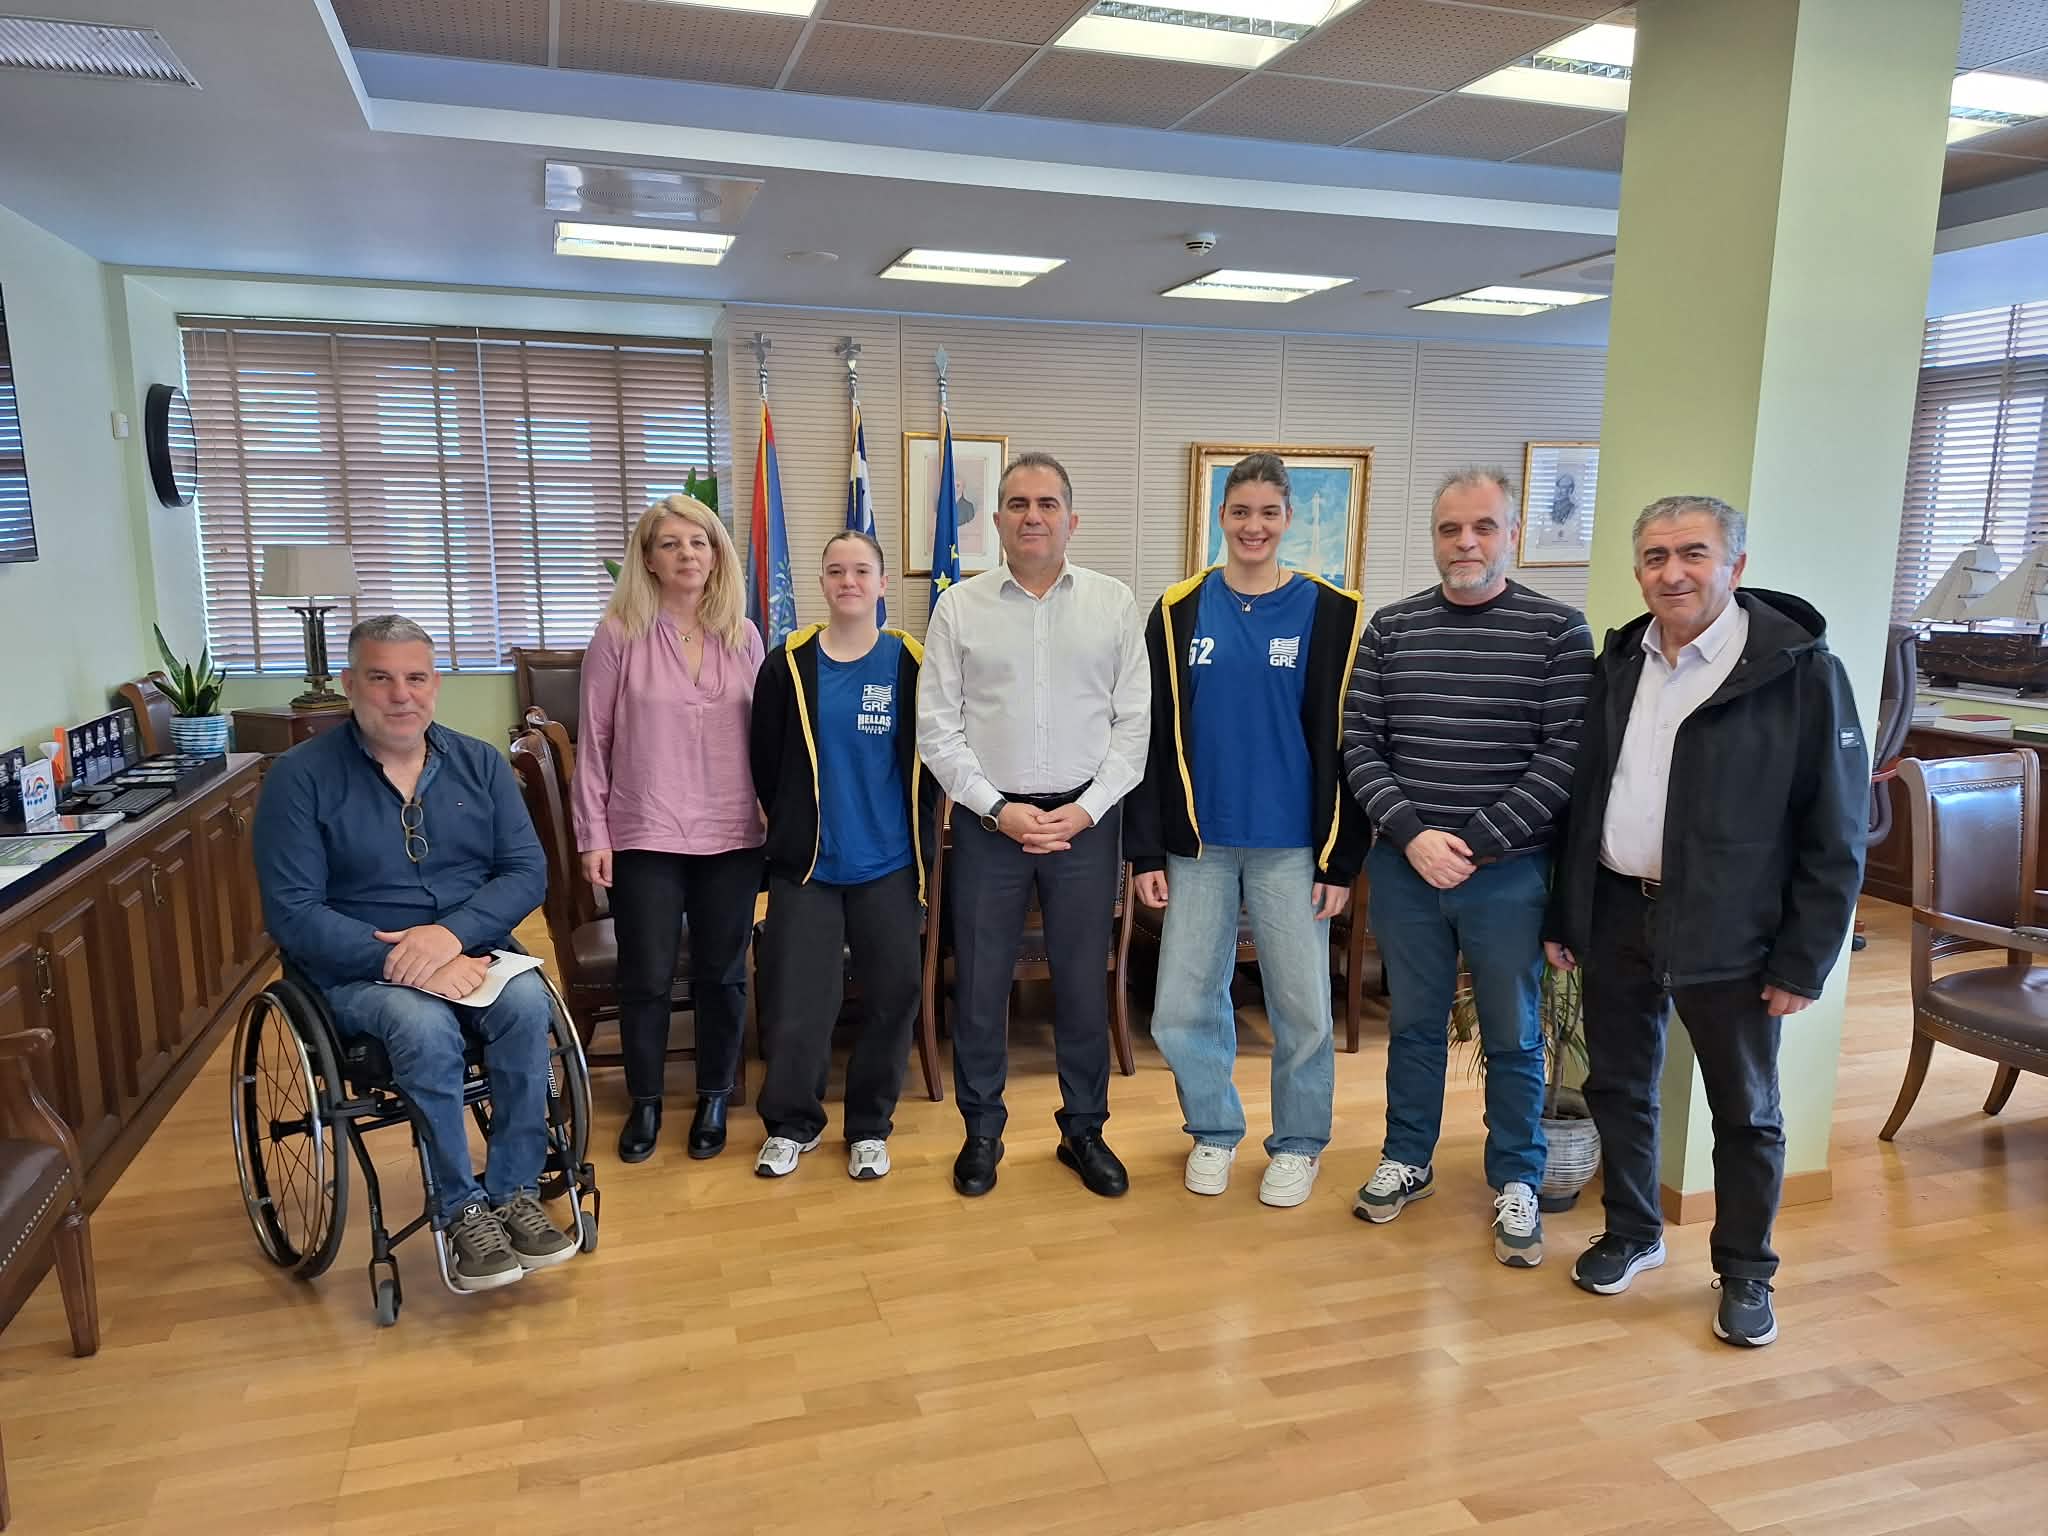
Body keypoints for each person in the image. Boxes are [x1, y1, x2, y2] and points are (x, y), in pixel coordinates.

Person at [1544, 495, 1865, 1348]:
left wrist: (1802, 961)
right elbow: (1587, 800)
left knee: (1746, 1110)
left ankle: (1747, 1271)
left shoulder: (1800, 673)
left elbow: (1835, 831)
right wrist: (1570, 913)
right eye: (1655, 557)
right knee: (1617, 1083)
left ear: (1736, 566)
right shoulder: (1621, 661)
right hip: (1618, 908)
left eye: (1693, 553)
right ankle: (1632, 1231)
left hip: (1735, 927)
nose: (1672, 572)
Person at [252, 615, 575, 1293]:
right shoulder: (299, 778)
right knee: (421, 1024)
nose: (401, 695)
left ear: (435, 685)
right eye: (381, 678)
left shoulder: (479, 764)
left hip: (473, 954)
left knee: (527, 1003)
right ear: (350, 684)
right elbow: (293, 912)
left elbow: (526, 872)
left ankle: (515, 1191)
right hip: (357, 971)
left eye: (416, 678)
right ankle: (459, 1209)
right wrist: (408, 960)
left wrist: (450, 937)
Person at [1342, 468, 1593, 1268]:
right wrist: (1414, 836)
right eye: (1451, 529)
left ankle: (1517, 1179)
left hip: (1509, 875)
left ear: (1511, 534)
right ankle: (1407, 1158)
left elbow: (1566, 755)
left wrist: (1477, 844)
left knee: (1514, 1034)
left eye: (1483, 527)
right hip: (1406, 869)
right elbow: (1360, 744)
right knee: (1413, 1025)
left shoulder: (1558, 631)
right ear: (1434, 537)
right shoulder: (1392, 628)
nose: (1466, 543)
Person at [1127, 452, 1367, 1208]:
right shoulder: (1178, 610)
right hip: (1198, 843)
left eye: (1268, 512)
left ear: (1288, 518)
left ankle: (1298, 1144)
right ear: (1220, 518)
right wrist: (1145, 848)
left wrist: (1340, 859)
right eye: (1240, 512)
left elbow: (1352, 743)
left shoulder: (1332, 612)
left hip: (1293, 847)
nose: (1253, 526)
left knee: (1303, 1009)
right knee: (1181, 1006)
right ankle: (1213, 1129)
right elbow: (1151, 736)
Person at [917, 452, 1150, 1199]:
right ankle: (981, 1131)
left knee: (1082, 983)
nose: (1032, 516)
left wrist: (1086, 809)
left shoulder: (1114, 603)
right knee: (982, 986)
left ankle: (1084, 1130)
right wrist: (997, 808)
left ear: (1072, 520)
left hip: (1087, 821)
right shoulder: (959, 608)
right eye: (1018, 504)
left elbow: (1134, 726)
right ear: (996, 521)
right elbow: (937, 730)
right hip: (990, 825)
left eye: (1047, 504)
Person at [574, 494, 766, 1164]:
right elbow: (594, 741)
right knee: (647, 976)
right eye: (670, 543)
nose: (687, 554)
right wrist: (593, 835)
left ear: (716, 555)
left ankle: (714, 1094)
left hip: (733, 831)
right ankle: (647, 1101)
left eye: (699, 542)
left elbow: (767, 737)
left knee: (722, 973)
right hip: (645, 829)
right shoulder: (618, 633)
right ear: (649, 560)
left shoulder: (743, 635)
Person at [749, 531, 930, 1181]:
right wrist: (793, 827)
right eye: (835, 571)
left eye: (860, 571)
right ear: (821, 583)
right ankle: (791, 1124)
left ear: (882, 583)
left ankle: (869, 1127)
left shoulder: (911, 661)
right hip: (810, 867)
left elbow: (934, 757)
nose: (848, 581)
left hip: (889, 864)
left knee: (893, 996)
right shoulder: (788, 663)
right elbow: (764, 761)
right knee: (799, 1001)